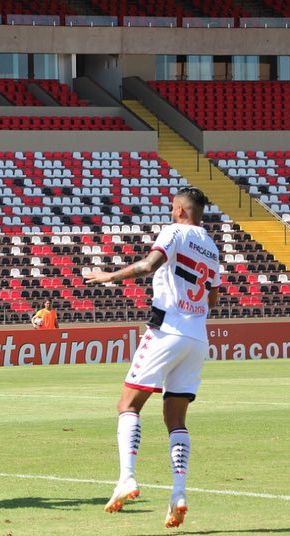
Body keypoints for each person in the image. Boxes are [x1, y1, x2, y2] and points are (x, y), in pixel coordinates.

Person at [85, 187, 220, 529]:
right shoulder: (213, 247)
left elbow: (149, 265)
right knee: (176, 419)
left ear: (179, 209)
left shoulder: (174, 232)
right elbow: (213, 298)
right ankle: (178, 492)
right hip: (197, 336)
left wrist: (108, 277)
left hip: (167, 330)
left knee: (128, 405)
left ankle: (126, 478)